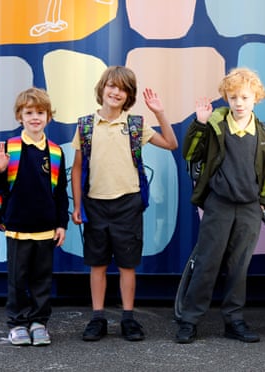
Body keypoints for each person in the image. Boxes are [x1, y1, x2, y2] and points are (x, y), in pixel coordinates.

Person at [71, 66, 178, 342]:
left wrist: (159, 113)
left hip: (128, 204)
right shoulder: (85, 125)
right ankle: (97, 318)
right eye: (112, 86)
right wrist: (77, 206)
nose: (116, 92)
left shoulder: (135, 124)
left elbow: (171, 143)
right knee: (97, 264)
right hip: (95, 204)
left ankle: (128, 318)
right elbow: (77, 168)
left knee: (127, 265)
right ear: (102, 88)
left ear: (128, 95)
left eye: (123, 89)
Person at [175, 67, 265, 344]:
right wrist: (199, 122)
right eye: (233, 97)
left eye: (244, 97)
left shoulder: (263, 132)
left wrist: (263, 202)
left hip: (249, 209)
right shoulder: (215, 125)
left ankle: (234, 320)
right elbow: (190, 152)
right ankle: (189, 320)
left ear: (256, 97)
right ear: (226, 99)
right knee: (207, 263)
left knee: (239, 266)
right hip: (219, 205)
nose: (239, 103)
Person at [0, 87, 69, 346]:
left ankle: (38, 323)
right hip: (18, 229)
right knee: (18, 279)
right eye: (29, 112)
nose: (35, 117)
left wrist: (61, 224)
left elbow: (60, 193)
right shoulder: (10, 148)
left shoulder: (55, 152)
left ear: (49, 116)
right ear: (19, 116)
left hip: (46, 229)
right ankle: (17, 323)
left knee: (42, 280)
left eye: (41, 112)